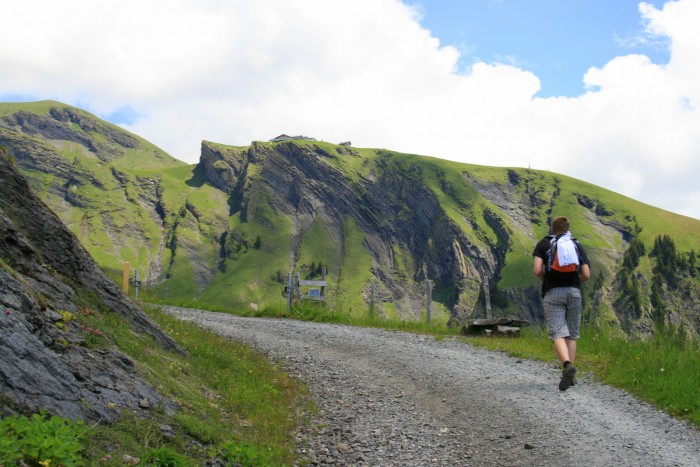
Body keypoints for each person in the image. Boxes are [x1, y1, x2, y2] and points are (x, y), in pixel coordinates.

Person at [533, 216, 591, 391]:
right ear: (568, 228)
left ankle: (567, 365)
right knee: (572, 334)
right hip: (574, 292)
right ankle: (570, 374)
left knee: (557, 332)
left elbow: (537, 270)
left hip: (553, 292)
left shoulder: (543, 244)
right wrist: (575, 285)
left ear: (552, 228)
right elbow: (587, 274)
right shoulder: (576, 244)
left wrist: (547, 281)